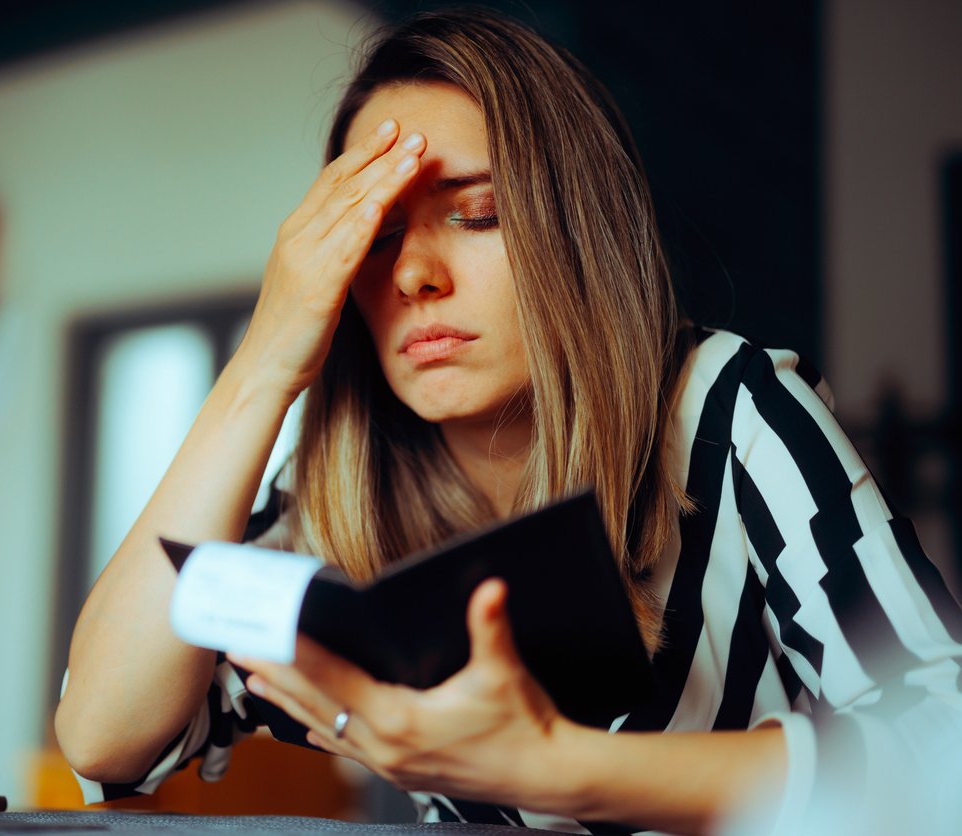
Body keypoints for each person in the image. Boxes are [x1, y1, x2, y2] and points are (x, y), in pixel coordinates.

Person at [55, 9, 962, 834]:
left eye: (478, 214)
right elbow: (104, 738)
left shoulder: (728, 408)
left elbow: (943, 744)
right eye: (371, 237)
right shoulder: (334, 512)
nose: (414, 276)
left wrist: (558, 769)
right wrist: (260, 366)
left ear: (577, 231)